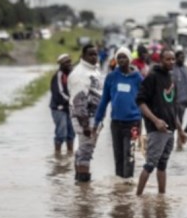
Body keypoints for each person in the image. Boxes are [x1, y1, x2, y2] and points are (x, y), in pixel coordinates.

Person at [135, 49, 187, 195]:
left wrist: (181, 130)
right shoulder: (152, 77)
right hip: (157, 130)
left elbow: (172, 108)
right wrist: (156, 121)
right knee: (150, 165)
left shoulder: (171, 78)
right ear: (160, 60)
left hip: (170, 130)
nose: (171, 62)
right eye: (167, 59)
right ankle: (137, 198)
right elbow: (140, 101)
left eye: (173, 59)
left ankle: (161, 198)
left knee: (163, 166)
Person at [94, 46, 143, 179]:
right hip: (116, 123)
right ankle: (120, 191)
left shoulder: (138, 78)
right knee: (118, 156)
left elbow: (144, 101)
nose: (121, 60)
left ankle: (128, 185)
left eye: (124, 57)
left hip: (133, 123)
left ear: (129, 59)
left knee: (130, 156)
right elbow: (104, 100)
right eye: (119, 57)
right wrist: (97, 120)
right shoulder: (111, 77)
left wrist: (147, 123)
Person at [69, 44, 103, 183]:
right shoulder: (80, 74)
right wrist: (85, 126)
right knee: (86, 151)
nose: (94, 57)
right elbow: (79, 102)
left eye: (96, 54)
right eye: (91, 54)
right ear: (83, 56)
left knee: (84, 149)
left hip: (93, 117)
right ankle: (84, 189)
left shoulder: (93, 70)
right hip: (85, 119)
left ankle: (79, 181)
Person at [49, 53, 75, 154]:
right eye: (66, 63)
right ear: (61, 65)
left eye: (69, 62)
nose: (69, 64)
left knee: (71, 133)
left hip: (70, 107)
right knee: (61, 132)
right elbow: (58, 92)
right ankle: (57, 154)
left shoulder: (72, 75)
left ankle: (70, 154)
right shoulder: (58, 76)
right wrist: (70, 100)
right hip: (58, 107)